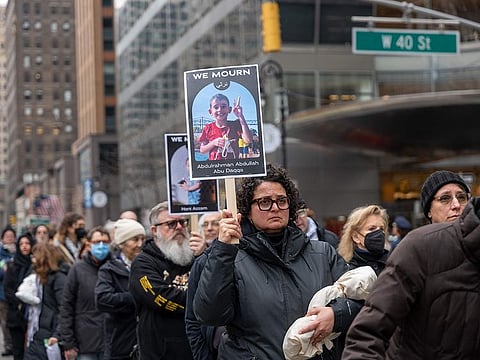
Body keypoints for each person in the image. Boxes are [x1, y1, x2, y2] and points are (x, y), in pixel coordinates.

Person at [193, 164, 362, 359]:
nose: (275, 208)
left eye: (282, 200)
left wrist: (337, 315)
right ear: (247, 210)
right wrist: (223, 250)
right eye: (265, 202)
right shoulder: (230, 258)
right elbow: (210, 314)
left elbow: (361, 303)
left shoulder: (323, 253)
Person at [342, 194, 480, 359]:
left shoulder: (391, 257)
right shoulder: (418, 248)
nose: (455, 205)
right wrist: (337, 314)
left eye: (381, 229)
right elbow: (368, 330)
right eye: (371, 230)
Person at [129, 201, 194, 360]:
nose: (179, 227)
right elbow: (161, 297)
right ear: (154, 230)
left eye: (182, 222)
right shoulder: (143, 263)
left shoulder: (197, 256)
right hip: (161, 351)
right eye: (171, 223)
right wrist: (202, 302)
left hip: (196, 347)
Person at [95, 218, 146, 360]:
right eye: (135, 239)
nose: (140, 244)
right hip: (121, 342)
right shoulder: (109, 270)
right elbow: (102, 299)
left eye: (142, 238)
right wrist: (135, 297)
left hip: (149, 342)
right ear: (122, 243)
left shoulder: (149, 267)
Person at [60, 226, 113, 360]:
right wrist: (68, 343)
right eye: (96, 242)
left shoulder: (115, 268)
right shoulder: (77, 270)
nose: (101, 246)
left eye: (105, 242)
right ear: (88, 245)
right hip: (85, 344)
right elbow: (66, 307)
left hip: (112, 342)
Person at [186, 212, 223, 360]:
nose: (209, 228)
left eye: (215, 223)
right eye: (205, 225)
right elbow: (192, 318)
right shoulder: (195, 259)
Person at [23, 242, 68, 360]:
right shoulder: (40, 278)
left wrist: (57, 334)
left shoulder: (58, 279)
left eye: (34, 256)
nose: (32, 260)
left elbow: (64, 309)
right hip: (38, 332)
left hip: (50, 334)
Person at [4, 233, 36, 360]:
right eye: (21, 244)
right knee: (18, 351)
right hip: (16, 315)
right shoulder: (12, 266)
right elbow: (8, 289)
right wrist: (20, 300)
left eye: (27, 243)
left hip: (33, 314)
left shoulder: (36, 265)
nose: (24, 247)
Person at [337, 205, 389, 276]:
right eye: (371, 229)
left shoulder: (392, 264)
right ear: (356, 237)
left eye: (381, 229)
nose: (379, 233)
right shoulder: (346, 270)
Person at [198, 94, 253, 160]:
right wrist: (213, 143)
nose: (220, 110)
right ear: (210, 111)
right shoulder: (207, 128)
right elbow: (202, 150)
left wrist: (240, 116)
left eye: (223, 106)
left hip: (232, 166)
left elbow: (248, 140)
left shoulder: (236, 125)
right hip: (214, 167)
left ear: (229, 109)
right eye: (216, 107)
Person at [0, 225, 16, 356]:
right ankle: (8, 345)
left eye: (12, 236)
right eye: (7, 237)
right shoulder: (1, 253)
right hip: (2, 294)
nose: (9, 239)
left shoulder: (19, 253)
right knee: (5, 322)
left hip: (17, 293)